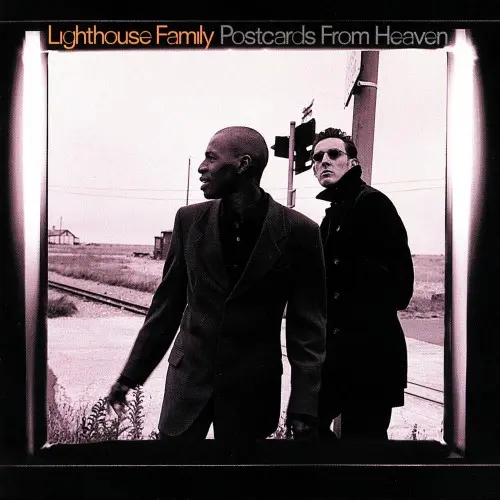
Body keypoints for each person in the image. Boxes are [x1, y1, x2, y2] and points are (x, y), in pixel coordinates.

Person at [107, 126, 327, 461]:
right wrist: (130, 376)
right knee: (172, 477)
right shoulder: (189, 221)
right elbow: (166, 308)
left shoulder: (299, 231)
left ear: (243, 164)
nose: (202, 167)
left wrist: (304, 404)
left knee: (238, 481)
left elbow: (308, 327)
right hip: (187, 386)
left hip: (251, 391)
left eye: (211, 157)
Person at [311, 127, 414, 441]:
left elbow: (401, 287)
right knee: (308, 430)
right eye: (317, 157)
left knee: (364, 446)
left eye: (334, 154)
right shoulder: (332, 216)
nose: (324, 161)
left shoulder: (372, 204)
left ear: (352, 163)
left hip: (371, 356)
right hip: (334, 357)